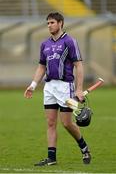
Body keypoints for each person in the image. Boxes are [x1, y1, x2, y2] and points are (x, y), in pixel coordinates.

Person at [24, 12, 91, 166]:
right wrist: (33, 85)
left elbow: (78, 65)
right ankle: (51, 158)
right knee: (50, 123)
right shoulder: (45, 44)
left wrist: (79, 89)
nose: (49, 26)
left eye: (52, 22)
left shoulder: (70, 41)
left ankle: (84, 147)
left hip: (66, 86)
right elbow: (41, 66)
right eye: (47, 23)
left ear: (60, 23)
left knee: (67, 123)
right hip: (49, 87)